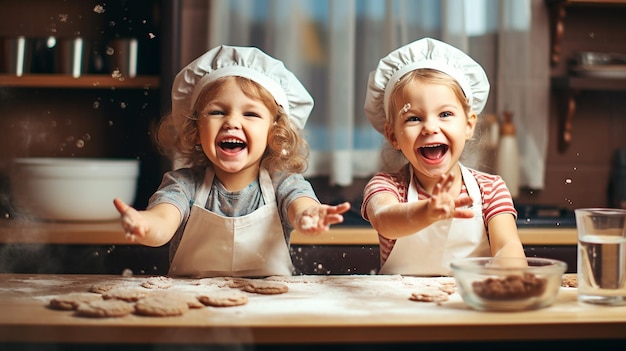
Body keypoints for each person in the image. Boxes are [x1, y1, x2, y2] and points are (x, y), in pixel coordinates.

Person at [113, 45, 350, 278]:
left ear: (275, 133)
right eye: (217, 112)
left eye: (251, 114)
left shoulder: (284, 184)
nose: (232, 122)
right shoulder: (184, 184)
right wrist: (146, 225)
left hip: (269, 307)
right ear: (196, 128)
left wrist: (309, 216)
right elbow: (163, 220)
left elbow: (301, 206)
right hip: (193, 306)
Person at [361, 37, 526, 276]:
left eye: (445, 114)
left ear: (469, 126)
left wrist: (513, 277)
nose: (430, 128)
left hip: (470, 305)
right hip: (400, 309)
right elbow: (385, 220)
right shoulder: (387, 186)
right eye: (414, 118)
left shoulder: (491, 189)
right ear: (393, 135)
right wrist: (426, 212)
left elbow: (507, 246)